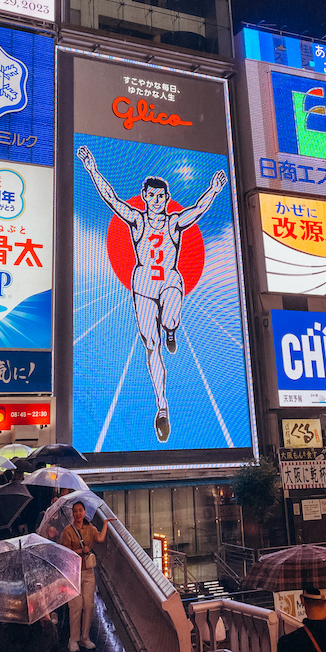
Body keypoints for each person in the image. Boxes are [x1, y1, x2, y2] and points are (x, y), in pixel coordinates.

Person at [77, 145, 226, 442]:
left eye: (161, 197)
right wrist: (92, 169)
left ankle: (172, 327)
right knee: (151, 345)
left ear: (166, 199)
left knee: (170, 316)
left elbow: (198, 209)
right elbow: (111, 198)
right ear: (145, 197)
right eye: (151, 196)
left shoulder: (174, 222)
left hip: (169, 280)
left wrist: (213, 189)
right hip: (143, 283)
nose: (156, 201)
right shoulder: (137, 220)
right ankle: (162, 408)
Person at [60, 500, 109, 652]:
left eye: (80, 510)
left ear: (84, 512)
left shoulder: (90, 528)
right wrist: (82, 551)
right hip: (73, 571)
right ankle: (73, 639)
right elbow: (65, 552)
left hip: (88, 570)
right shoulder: (68, 531)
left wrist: (106, 523)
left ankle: (85, 637)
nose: (78, 514)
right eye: (75, 511)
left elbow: (100, 539)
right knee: (76, 606)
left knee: (89, 605)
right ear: (72, 513)